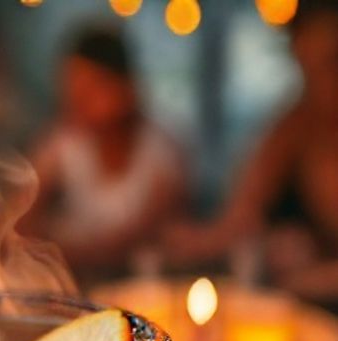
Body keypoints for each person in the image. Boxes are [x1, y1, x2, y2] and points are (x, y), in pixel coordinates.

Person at [164, 1, 338, 306]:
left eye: (331, 64)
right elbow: (241, 216)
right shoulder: (299, 122)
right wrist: (189, 242)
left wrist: (309, 278)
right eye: (305, 68)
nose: (322, 86)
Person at [28, 25, 187, 282]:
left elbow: (136, 239)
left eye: (91, 88)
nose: (78, 99)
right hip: (75, 285)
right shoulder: (64, 143)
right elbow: (22, 220)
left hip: (143, 290)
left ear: (125, 87)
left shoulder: (161, 150)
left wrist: (57, 248)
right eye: (72, 87)